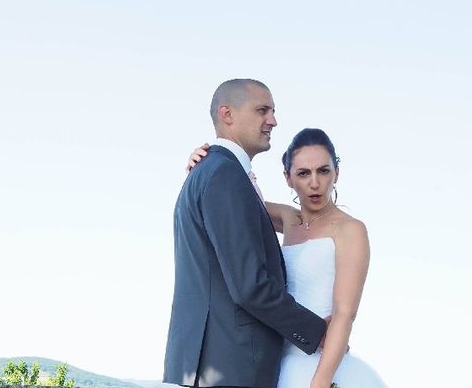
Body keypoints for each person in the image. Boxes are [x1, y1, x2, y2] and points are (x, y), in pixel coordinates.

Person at [186, 128, 387, 387]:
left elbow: (344, 314)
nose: (314, 183)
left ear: (336, 172)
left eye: (323, 171)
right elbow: (233, 194)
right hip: (277, 364)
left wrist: (320, 382)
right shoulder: (288, 219)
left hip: (321, 365)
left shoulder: (351, 230)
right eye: (303, 173)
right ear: (288, 178)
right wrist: (202, 164)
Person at [163, 79, 328, 388]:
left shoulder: (211, 172)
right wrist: (318, 332)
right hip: (232, 364)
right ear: (228, 114)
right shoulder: (224, 175)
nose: (273, 121)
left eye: (273, 111)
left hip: (203, 364)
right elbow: (249, 287)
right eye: (262, 110)